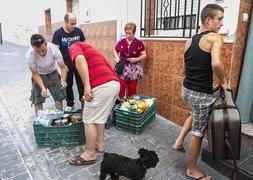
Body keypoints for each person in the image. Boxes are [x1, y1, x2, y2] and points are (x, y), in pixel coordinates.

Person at [172, 4, 228, 180]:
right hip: (200, 95)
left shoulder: (190, 40)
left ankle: (178, 141)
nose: (221, 24)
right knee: (198, 132)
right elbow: (216, 64)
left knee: (194, 112)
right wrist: (224, 81)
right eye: (219, 19)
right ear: (208, 20)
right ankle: (191, 169)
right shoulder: (215, 38)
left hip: (186, 90)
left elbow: (184, 68)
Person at [68, 41, 120, 166]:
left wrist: (86, 86)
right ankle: (100, 145)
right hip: (114, 84)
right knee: (100, 118)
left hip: (101, 86)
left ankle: (89, 154)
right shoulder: (91, 49)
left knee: (89, 119)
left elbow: (80, 59)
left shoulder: (74, 46)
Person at [26, 34, 68, 115]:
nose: (41, 53)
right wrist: (43, 88)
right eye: (38, 51)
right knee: (37, 100)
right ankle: (40, 120)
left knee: (59, 97)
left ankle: (58, 117)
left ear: (46, 43)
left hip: (53, 73)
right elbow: (35, 74)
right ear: (33, 48)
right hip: (39, 74)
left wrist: (63, 80)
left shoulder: (53, 49)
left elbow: (63, 67)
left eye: (43, 50)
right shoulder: (30, 55)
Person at [52, 13, 86, 112]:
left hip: (79, 63)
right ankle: (70, 104)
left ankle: (84, 102)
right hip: (66, 65)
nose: (74, 26)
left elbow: (84, 45)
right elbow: (55, 51)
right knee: (68, 85)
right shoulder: (58, 33)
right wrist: (59, 67)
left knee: (81, 83)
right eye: (71, 24)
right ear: (65, 22)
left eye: (75, 23)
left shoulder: (78, 31)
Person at [114, 22, 146, 99]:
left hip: (134, 69)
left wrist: (137, 59)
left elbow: (144, 55)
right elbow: (115, 50)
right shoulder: (122, 42)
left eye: (130, 33)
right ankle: (121, 106)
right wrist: (116, 57)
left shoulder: (139, 43)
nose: (128, 35)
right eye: (126, 33)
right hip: (122, 68)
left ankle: (130, 107)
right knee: (121, 88)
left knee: (132, 90)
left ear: (134, 32)